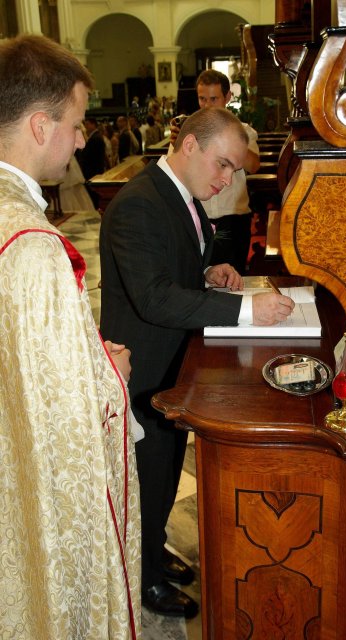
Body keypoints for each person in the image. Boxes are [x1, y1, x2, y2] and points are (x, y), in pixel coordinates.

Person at [99, 107, 294, 619]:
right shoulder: (138, 203)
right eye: (222, 164)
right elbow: (153, 297)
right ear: (190, 146)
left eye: (234, 169)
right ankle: (142, 578)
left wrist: (207, 273)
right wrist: (247, 310)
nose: (227, 179)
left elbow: (173, 264)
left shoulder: (179, 193)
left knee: (165, 472)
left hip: (171, 362)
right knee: (146, 479)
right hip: (141, 364)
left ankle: (154, 548)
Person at [0, 34, 142, 639]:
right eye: (77, 123)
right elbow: (63, 421)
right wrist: (112, 374)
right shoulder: (33, 244)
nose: (83, 139)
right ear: (40, 125)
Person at [170, 69, 260, 274]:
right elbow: (175, 174)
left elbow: (254, 165)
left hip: (233, 217)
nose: (207, 106)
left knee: (235, 278)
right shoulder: (188, 133)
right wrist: (178, 145)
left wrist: (228, 138)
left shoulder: (243, 130)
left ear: (227, 97)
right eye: (202, 99)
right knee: (197, 277)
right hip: (197, 217)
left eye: (213, 99)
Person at [77, 116, 107, 208]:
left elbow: (90, 156)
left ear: (93, 124)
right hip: (94, 169)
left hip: (93, 170)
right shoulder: (95, 136)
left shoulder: (95, 138)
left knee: (94, 194)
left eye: (87, 124)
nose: (86, 126)